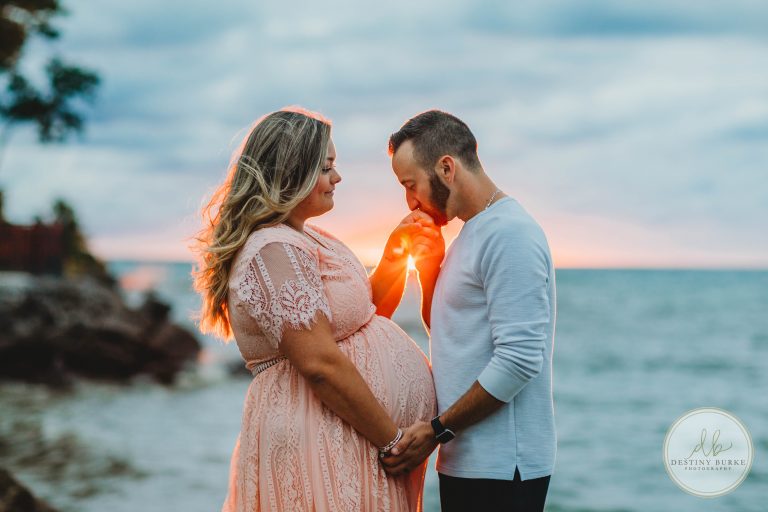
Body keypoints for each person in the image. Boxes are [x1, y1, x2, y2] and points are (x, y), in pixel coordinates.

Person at [191, 107, 440, 511]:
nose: (336, 178)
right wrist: (392, 441)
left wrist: (395, 256)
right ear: (291, 173)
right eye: (326, 168)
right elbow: (320, 363)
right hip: (319, 436)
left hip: (343, 435)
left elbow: (363, 319)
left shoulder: (306, 237)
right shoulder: (273, 249)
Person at [380, 110, 557, 512]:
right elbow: (452, 333)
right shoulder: (470, 232)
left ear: (446, 168)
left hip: (503, 467)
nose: (410, 201)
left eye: (410, 185)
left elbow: (519, 360)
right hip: (467, 459)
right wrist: (429, 271)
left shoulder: (510, 233)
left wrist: (436, 430)